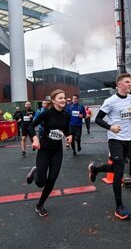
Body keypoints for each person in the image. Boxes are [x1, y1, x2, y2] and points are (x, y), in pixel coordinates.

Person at [88, 73, 131, 220]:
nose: (130, 84)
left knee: (119, 167)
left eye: (130, 82)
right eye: (127, 82)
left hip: (127, 138)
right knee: (119, 172)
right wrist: (111, 127)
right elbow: (97, 119)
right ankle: (119, 207)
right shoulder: (110, 101)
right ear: (119, 85)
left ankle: (95, 169)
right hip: (115, 138)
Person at [26, 89, 72, 217]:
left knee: (52, 179)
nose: (63, 100)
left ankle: (40, 205)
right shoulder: (46, 113)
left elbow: (66, 130)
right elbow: (31, 126)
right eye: (60, 98)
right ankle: (34, 172)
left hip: (57, 151)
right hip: (44, 149)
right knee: (41, 182)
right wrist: (34, 138)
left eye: (64, 97)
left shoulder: (66, 115)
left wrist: (69, 136)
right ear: (53, 100)